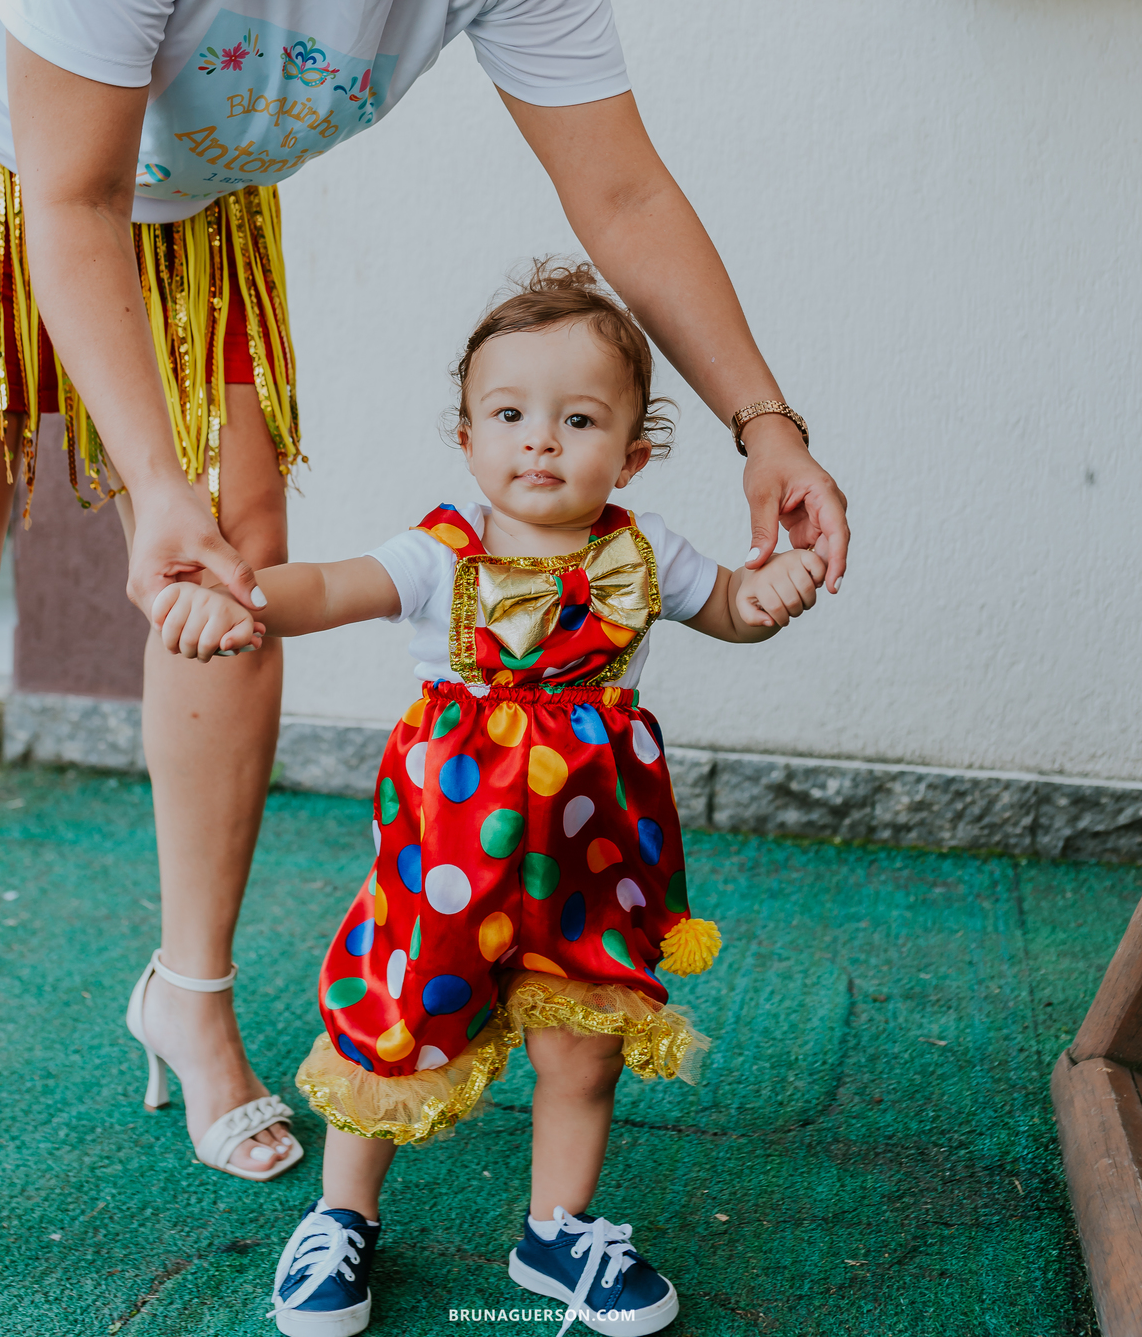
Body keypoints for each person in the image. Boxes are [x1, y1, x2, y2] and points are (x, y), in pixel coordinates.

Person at [0, 0, 848, 1182]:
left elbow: (621, 191)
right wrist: (149, 482)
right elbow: (72, 195)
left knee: (238, 561)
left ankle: (188, 998)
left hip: (192, 196)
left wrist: (762, 420)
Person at [151, 263, 830, 1334]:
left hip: (590, 861)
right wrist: (241, 596)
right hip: (447, 861)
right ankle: (341, 1217)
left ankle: (556, 1232)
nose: (541, 441)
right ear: (467, 439)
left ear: (633, 453)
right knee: (395, 1022)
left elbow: (734, 608)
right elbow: (326, 584)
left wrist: (772, 593)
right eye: (510, 415)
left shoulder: (646, 550)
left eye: (579, 419)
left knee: (585, 1047)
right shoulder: (440, 554)